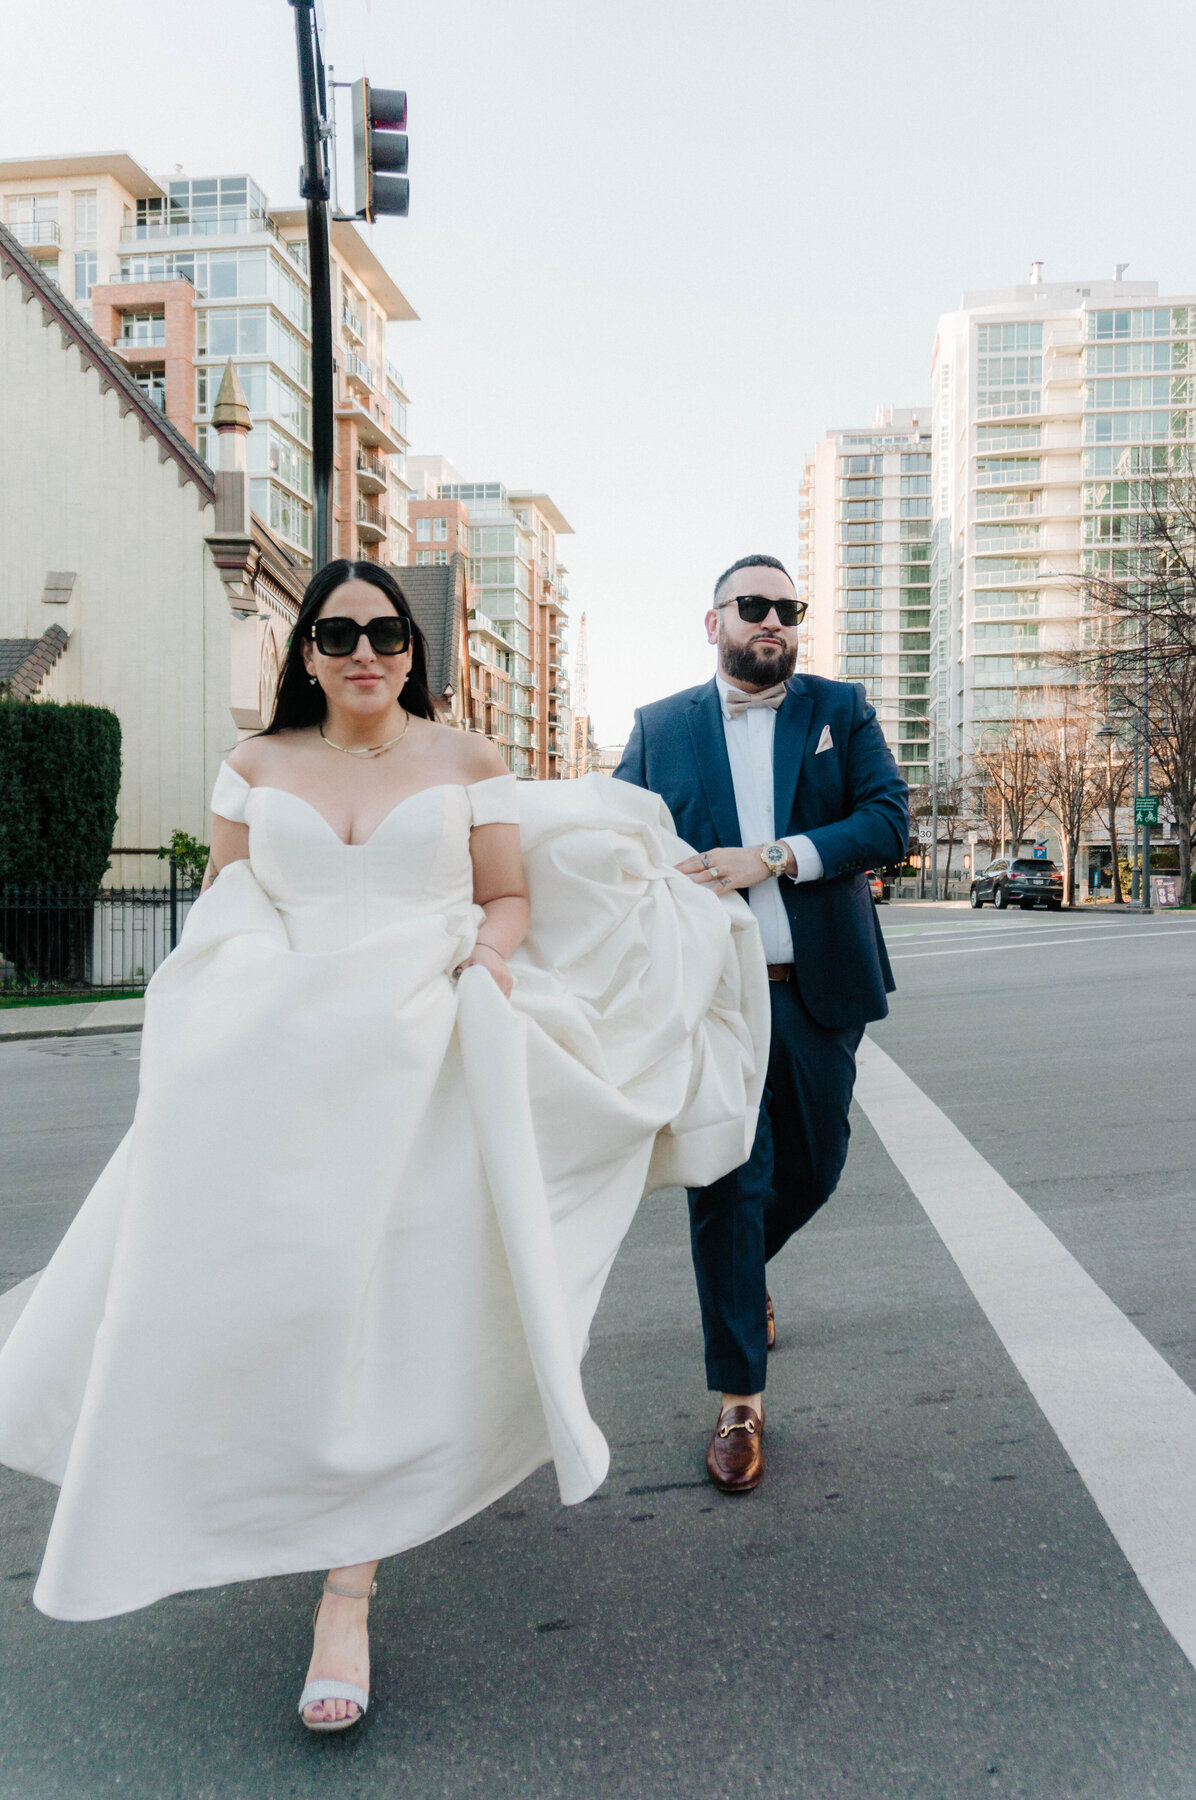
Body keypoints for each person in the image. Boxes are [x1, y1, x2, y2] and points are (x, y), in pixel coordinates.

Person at [0, 561, 768, 1733]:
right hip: (279, 1056)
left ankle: (345, 1592)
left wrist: (485, 960)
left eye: (388, 633)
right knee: (222, 1298)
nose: (367, 650)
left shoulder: (467, 762)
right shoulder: (255, 767)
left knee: (388, 1313)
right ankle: (193, 1497)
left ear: (415, 651)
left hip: (424, 1050)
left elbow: (503, 897)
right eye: (340, 631)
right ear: (306, 651)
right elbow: (229, 901)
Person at [614, 554, 909, 1495]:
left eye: (788, 608)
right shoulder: (660, 730)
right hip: (713, 1001)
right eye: (754, 606)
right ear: (715, 623)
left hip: (816, 989)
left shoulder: (840, 710)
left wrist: (773, 857)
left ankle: (746, 1280)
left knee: (815, 1168)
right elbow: (616, 842)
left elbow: (887, 823)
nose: (773, 621)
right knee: (728, 1189)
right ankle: (740, 1399)